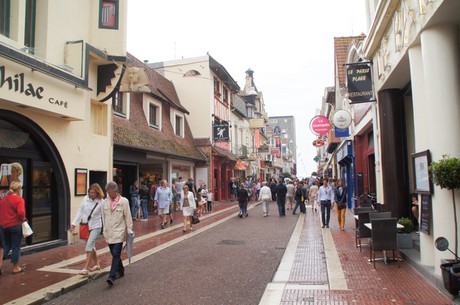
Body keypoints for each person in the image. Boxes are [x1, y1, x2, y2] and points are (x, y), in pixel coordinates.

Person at [102, 181, 133, 286]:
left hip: (119, 232)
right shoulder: (105, 202)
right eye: (108, 193)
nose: (109, 195)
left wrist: (129, 230)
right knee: (114, 253)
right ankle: (121, 269)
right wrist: (104, 230)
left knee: (116, 254)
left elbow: (128, 216)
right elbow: (103, 217)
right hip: (109, 232)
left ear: (115, 191)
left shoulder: (124, 202)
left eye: (110, 193)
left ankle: (111, 276)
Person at [70, 183, 104, 275]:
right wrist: (74, 224)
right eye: (90, 192)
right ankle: (97, 264)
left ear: (97, 192)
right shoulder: (85, 199)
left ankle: (85, 268)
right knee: (92, 246)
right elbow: (80, 211)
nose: (91, 194)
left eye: (93, 193)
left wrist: (106, 229)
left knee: (89, 245)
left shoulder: (101, 202)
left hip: (96, 226)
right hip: (85, 225)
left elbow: (104, 216)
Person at [0, 181, 26, 274]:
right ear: (18, 189)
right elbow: (21, 213)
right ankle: (15, 267)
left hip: (4, 226)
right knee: (16, 246)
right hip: (15, 225)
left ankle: (0, 264)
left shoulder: (3, 200)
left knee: (6, 245)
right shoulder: (19, 200)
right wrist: (22, 219)